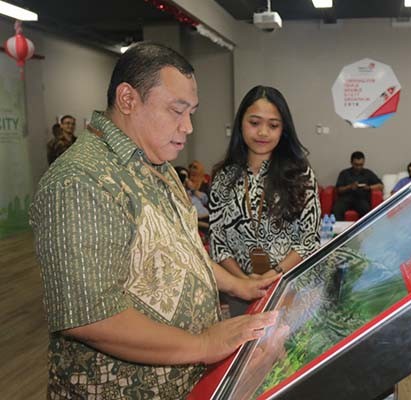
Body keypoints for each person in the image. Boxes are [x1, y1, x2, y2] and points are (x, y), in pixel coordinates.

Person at [30, 42, 280, 399]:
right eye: (177, 111)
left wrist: (237, 285)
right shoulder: (80, 180)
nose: (188, 127)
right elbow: (90, 318)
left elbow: (181, 252)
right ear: (128, 99)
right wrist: (203, 344)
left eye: (191, 112)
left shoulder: (157, 165)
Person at [209, 85, 321, 314]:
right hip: (240, 292)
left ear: (283, 130)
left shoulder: (300, 174)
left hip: (291, 287)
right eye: (254, 123)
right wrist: (243, 283)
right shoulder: (223, 177)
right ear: (241, 124)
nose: (263, 132)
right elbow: (218, 242)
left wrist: (273, 275)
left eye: (273, 125)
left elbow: (309, 239)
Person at [332, 151, 383, 221]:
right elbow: (339, 190)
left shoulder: (368, 173)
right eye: (356, 165)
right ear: (351, 163)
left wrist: (369, 187)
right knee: (337, 208)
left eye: (361, 165)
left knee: (366, 209)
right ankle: (339, 228)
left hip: (361, 199)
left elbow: (381, 186)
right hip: (346, 199)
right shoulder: (344, 173)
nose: (359, 167)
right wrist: (349, 187)